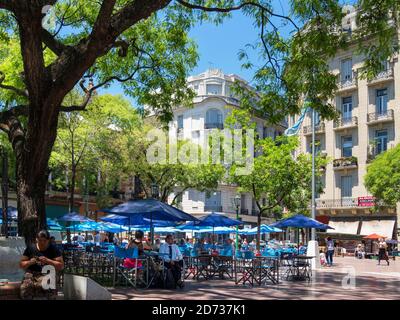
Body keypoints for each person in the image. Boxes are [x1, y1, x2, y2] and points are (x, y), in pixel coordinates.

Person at [19, 230, 64, 300]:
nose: (42, 243)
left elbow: (61, 265)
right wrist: (30, 262)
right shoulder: (31, 248)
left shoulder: (53, 249)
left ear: (48, 240)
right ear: (36, 239)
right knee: (25, 288)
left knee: (48, 286)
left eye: (44, 240)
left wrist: (48, 260)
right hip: (31, 273)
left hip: (48, 272)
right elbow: (21, 264)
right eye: (40, 240)